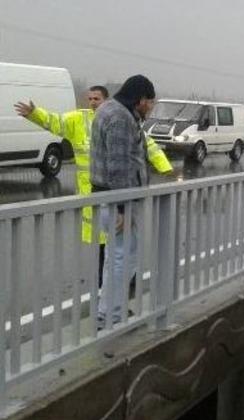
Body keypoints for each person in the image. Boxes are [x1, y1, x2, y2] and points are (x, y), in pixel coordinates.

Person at [14, 86, 173, 287]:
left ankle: (121, 284)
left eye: (96, 98)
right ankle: (108, 288)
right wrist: (34, 114)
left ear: (106, 100)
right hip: (93, 196)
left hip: (115, 192)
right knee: (106, 245)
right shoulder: (78, 120)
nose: (92, 102)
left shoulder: (119, 120)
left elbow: (146, 144)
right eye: (89, 98)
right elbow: (55, 122)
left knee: (118, 243)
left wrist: (165, 167)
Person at [89, 75, 157, 328]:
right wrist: (121, 208)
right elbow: (118, 166)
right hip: (117, 201)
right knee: (122, 259)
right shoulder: (120, 117)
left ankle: (105, 313)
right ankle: (113, 318)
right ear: (140, 100)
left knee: (114, 258)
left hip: (110, 198)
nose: (151, 107)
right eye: (150, 102)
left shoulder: (112, 110)